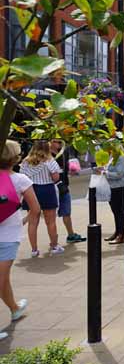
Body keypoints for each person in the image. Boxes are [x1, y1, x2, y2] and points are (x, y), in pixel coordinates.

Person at [0, 141, 39, 340]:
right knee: (2, 278)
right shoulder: (21, 179)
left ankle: (14, 308)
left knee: (3, 278)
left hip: (8, 236)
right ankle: (14, 308)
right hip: (8, 237)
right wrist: (23, 222)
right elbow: (36, 208)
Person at [20, 141, 64, 256]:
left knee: (33, 222)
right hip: (47, 190)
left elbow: (22, 177)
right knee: (51, 221)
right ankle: (54, 246)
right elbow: (56, 178)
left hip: (31, 190)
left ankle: (34, 250)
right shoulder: (50, 161)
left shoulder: (26, 161)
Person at [50, 140, 85, 243]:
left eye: (60, 141)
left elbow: (65, 168)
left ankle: (71, 234)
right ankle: (53, 241)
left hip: (63, 186)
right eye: (56, 141)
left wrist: (71, 170)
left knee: (66, 212)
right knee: (50, 216)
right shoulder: (46, 154)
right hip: (51, 187)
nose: (59, 144)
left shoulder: (64, 152)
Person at [104, 155, 124, 245]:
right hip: (112, 188)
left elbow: (119, 174)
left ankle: (121, 236)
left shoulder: (121, 158)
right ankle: (117, 232)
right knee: (115, 211)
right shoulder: (112, 157)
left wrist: (106, 173)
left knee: (120, 212)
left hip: (120, 187)